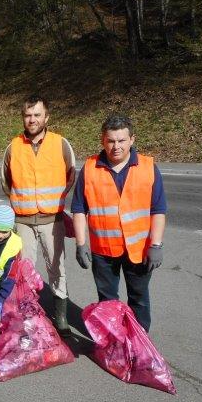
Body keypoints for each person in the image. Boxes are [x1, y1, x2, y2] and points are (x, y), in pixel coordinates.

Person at [71, 114, 167, 332]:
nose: (116, 146)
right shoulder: (90, 168)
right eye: (111, 141)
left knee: (139, 299)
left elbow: (158, 210)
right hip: (103, 251)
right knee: (107, 301)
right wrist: (80, 243)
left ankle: (140, 345)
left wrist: (156, 245)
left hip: (139, 250)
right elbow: (78, 208)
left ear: (132, 140)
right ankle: (112, 343)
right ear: (103, 140)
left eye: (121, 140)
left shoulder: (148, 167)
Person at [1, 95, 76, 335]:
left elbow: (70, 175)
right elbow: (6, 182)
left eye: (37, 115)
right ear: (23, 117)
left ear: (46, 117)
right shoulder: (13, 146)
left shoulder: (60, 143)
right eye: (28, 115)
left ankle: (61, 316)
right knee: (24, 269)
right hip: (23, 220)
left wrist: (53, 201)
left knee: (57, 268)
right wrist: (22, 203)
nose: (32, 119)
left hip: (52, 220)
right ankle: (27, 312)